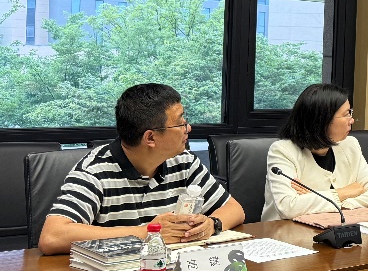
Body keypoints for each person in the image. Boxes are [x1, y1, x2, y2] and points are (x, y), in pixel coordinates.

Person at [38, 83, 246, 255]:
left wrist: (212, 224)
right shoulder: (95, 171)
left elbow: (235, 209)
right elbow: (52, 237)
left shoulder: (183, 161)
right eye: (180, 123)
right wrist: (148, 232)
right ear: (150, 138)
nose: (188, 128)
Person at [262, 84, 368, 221]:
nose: (351, 120)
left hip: (337, 228)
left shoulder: (350, 145)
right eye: (346, 114)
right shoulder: (282, 151)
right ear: (322, 120)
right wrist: (344, 192)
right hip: (285, 231)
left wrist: (339, 205)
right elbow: (288, 207)